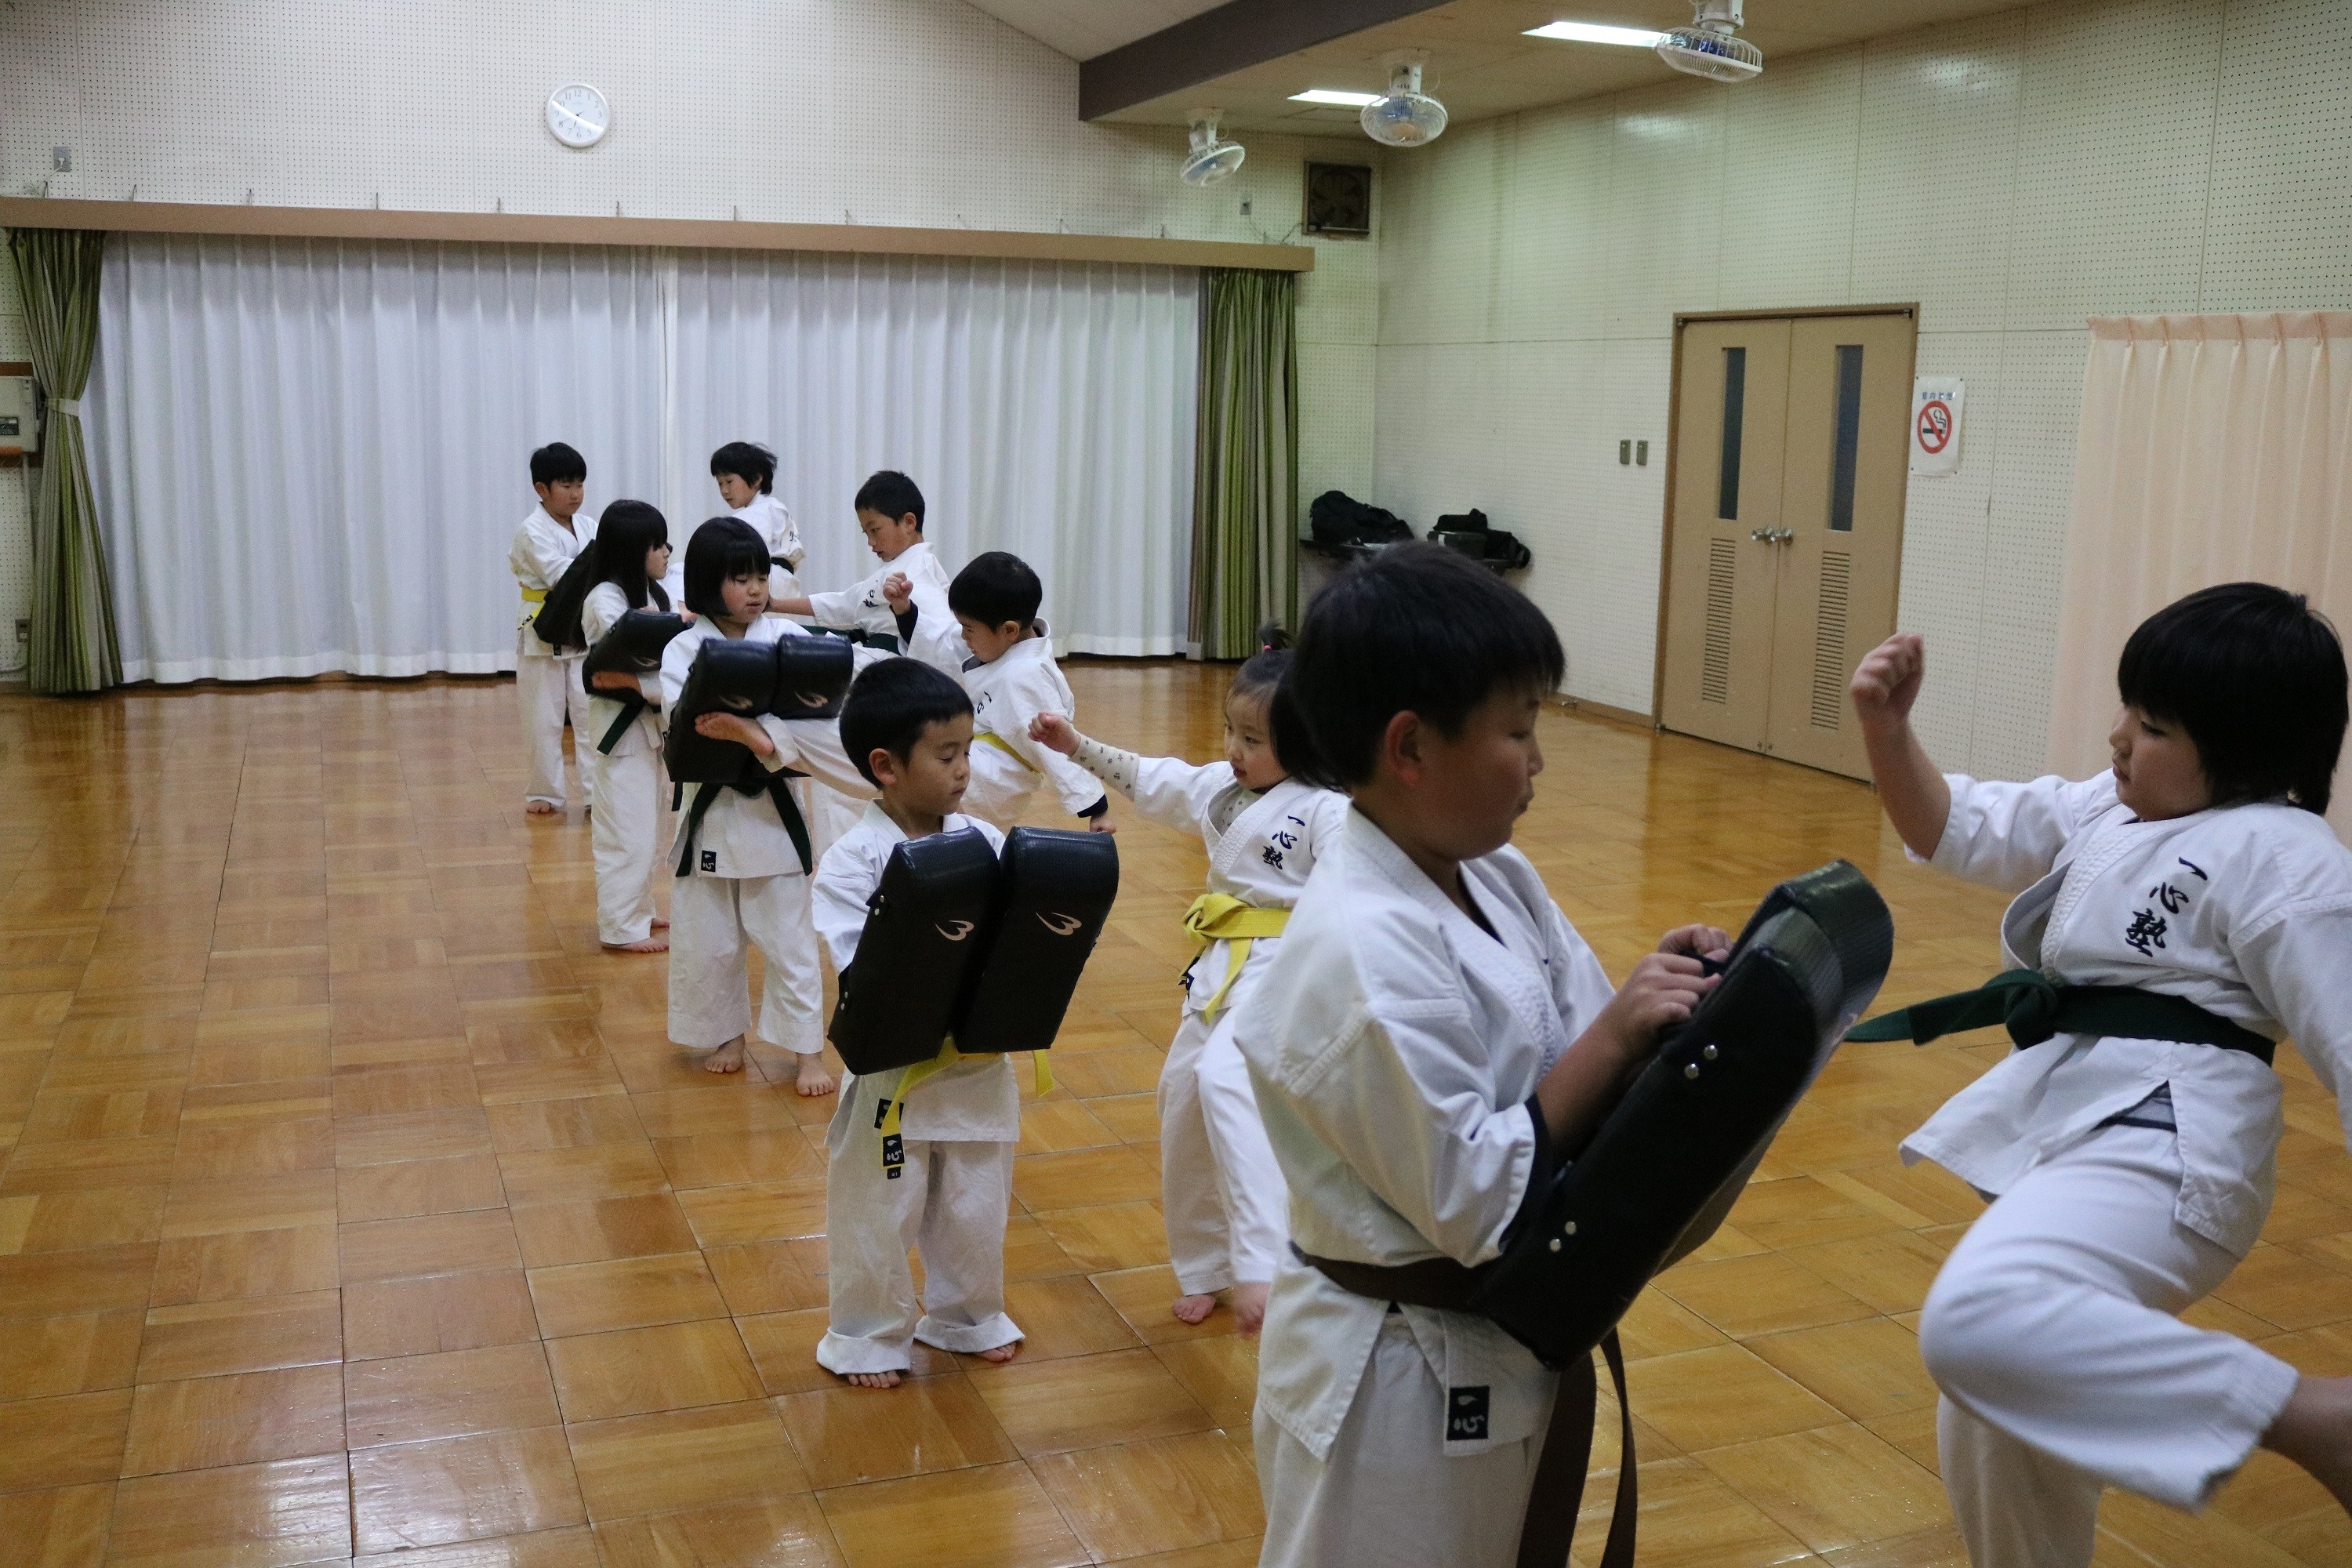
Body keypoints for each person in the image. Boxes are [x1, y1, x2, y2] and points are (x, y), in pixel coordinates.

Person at [1235, 543, 1728, 1568]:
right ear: (1410, 747)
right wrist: (1615, 1034)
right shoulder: (1357, 949)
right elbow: (1476, 1202)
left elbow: (1585, 1035)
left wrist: (1670, 1005)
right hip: (1389, 1385)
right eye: (1518, 729)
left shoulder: (1489, 871)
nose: (1538, 759)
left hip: (1494, 1350)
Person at [1846, 584, 2352, 1568]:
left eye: (2153, 725)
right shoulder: (2115, 810)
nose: (2118, 736)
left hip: (2172, 1142)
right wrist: (1886, 731)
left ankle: (2316, 1417)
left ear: (2247, 753)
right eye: (2128, 709)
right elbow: (1957, 823)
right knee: (2002, 1401)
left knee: (1981, 1318)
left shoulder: (2288, 859)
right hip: (2081, 1122)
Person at [1029, 626, 1341, 1334]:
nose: (1235, 751)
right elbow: (1153, 779)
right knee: (1183, 1099)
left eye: (1254, 741)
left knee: (1228, 1080)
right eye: (1231, 732)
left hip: (1285, 970)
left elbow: (1360, 895)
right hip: (1221, 968)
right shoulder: (1222, 789)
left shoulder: (1331, 807)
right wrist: (1076, 745)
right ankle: (1208, 1266)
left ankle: (1266, 1260)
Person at [812, 657, 1025, 1387]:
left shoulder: (991, 842)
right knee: (879, 1211)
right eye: (947, 754)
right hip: (894, 1071)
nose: (965, 769)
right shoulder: (852, 863)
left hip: (976, 1064)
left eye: (970, 750)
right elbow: (860, 974)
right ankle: (869, 1334)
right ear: (887, 766)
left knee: (974, 1204)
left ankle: (967, 1316)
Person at [658, 517, 838, 1094]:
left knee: (789, 941)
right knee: (708, 941)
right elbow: (681, 724)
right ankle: (726, 1034)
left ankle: (807, 1051)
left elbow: (811, 724)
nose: (757, 589)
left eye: (762, 576)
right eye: (741, 579)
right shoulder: (683, 649)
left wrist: (757, 733)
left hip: (772, 817)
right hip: (711, 813)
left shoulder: (790, 643)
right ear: (710, 584)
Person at [949, 550, 1109, 833]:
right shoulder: (1012, 649)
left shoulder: (1024, 676)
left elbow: (1059, 748)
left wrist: (1096, 808)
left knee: (916, 771)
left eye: (969, 629)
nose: (964, 637)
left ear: (1010, 630)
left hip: (993, 778)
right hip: (982, 767)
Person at [579, 499, 675, 953]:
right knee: (626, 834)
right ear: (634, 550)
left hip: (648, 729)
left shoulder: (652, 595)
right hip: (618, 732)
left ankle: (637, 907)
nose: (666, 553)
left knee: (651, 828)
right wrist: (648, 685)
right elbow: (615, 672)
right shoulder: (604, 600)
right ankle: (620, 927)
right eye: (657, 545)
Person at [769, 470, 968, 675]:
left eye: (875, 530)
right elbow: (843, 602)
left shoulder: (918, 570)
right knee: (775, 633)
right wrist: (774, 604)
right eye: (866, 533)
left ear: (909, 522)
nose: (870, 543)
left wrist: (905, 609)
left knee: (774, 639)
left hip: (882, 665)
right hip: (866, 653)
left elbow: (950, 640)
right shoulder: (897, 567)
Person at [509, 441, 597, 815]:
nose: (576, 493)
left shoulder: (589, 525)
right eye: (566, 485)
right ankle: (544, 793)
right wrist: (599, 569)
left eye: (580, 484)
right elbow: (560, 574)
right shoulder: (532, 530)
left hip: (582, 629)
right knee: (543, 718)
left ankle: (597, 795)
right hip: (541, 629)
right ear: (541, 489)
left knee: (590, 715)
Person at [711, 441, 804, 602]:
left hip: (767, 580)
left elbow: (745, 549)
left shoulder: (763, 510)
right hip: (781, 582)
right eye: (720, 483)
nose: (724, 490)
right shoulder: (769, 508)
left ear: (756, 479)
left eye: (729, 482)